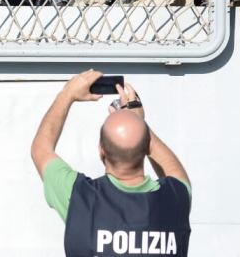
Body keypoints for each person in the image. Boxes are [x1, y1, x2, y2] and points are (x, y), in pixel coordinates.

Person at [31, 70, 191, 257]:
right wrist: (138, 122)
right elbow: (175, 172)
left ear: (101, 151)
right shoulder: (175, 199)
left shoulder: (78, 197)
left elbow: (40, 149)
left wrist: (68, 94)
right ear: (146, 146)